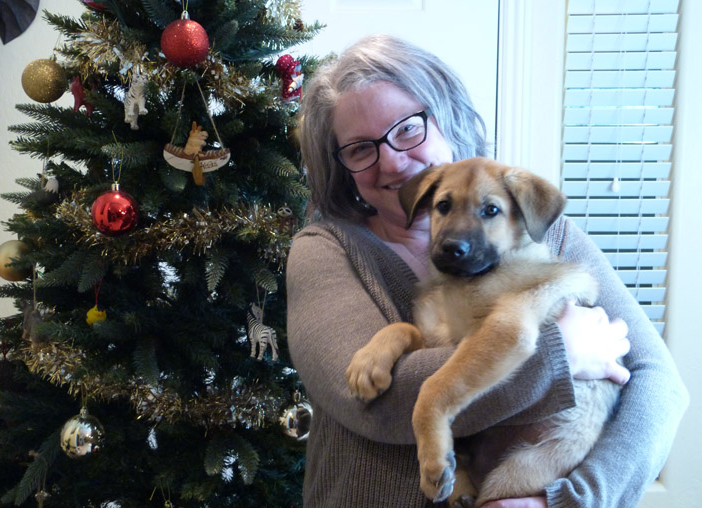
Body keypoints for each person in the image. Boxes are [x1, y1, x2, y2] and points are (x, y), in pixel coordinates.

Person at [286, 34, 688, 508]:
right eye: (359, 149)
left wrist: (560, 501)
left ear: (447, 119)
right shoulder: (326, 249)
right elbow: (374, 405)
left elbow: (659, 382)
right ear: (342, 167)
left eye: (408, 128)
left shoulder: (540, 232)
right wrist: (562, 356)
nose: (392, 160)